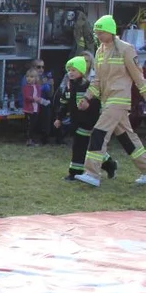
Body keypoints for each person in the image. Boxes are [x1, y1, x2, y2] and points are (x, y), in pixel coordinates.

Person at [75, 15, 146, 186]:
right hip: (108, 101)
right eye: (96, 33)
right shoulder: (100, 51)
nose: (97, 36)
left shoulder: (126, 49)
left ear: (110, 32)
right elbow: (97, 81)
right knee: (128, 139)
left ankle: (92, 173)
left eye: (100, 33)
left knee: (99, 132)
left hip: (119, 100)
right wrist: (87, 97)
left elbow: (139, 77)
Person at [55, 56, 118, 180]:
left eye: (74, 70)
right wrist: (59, 118)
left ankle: (74, 173)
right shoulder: (68, 87)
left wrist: (90, 119)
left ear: (81, 71)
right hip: (77, 123)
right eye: (69, 70)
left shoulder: (87, 87)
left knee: (80, 147)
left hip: (88, 124)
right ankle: (110, 164)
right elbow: (64, 104)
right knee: (88, 148)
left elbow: (95, 105)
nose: (70, 73)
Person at [23, 68, 42, 146]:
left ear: (36, 78)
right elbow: (27, 97)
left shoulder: (37, 86)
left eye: (31, 77)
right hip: (28, 109)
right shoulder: (26, 87)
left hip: (35, 109)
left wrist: (39, 99)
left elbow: (39, 95)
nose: (29, 78)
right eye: (27, 76)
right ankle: (29, 140)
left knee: (34, 124)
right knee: (29, 125)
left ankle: (32, 139)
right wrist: (34, 99)